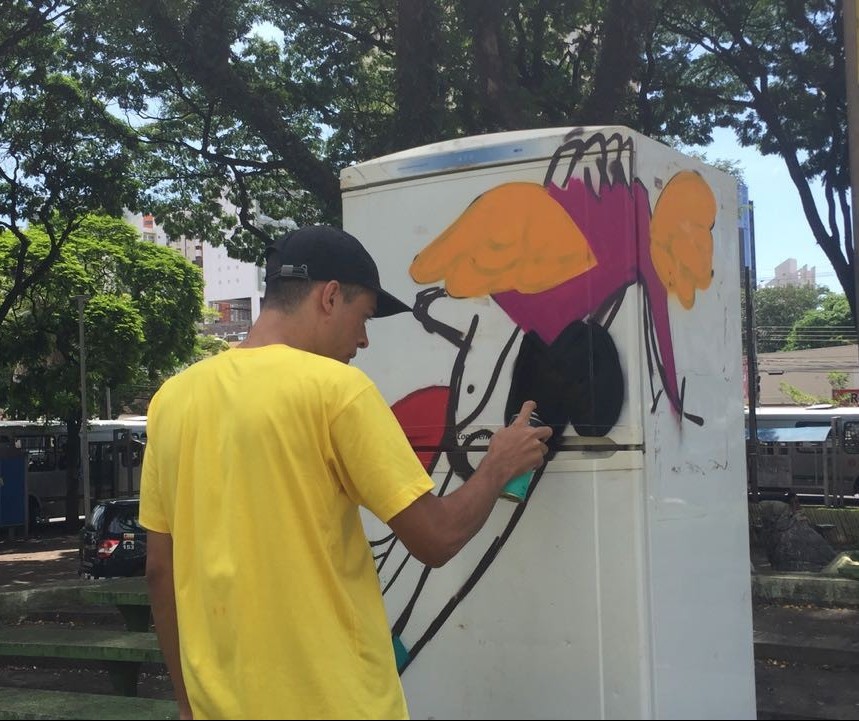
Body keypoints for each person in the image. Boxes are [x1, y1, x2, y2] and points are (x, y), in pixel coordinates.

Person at [140, 224, 552, 720]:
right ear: (330, 297)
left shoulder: (172, 400)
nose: (363, 340)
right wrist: (498, 465)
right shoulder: (337, 391)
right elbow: (435, 537)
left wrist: (188, 706)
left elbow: (160, 570)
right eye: (365, 318)